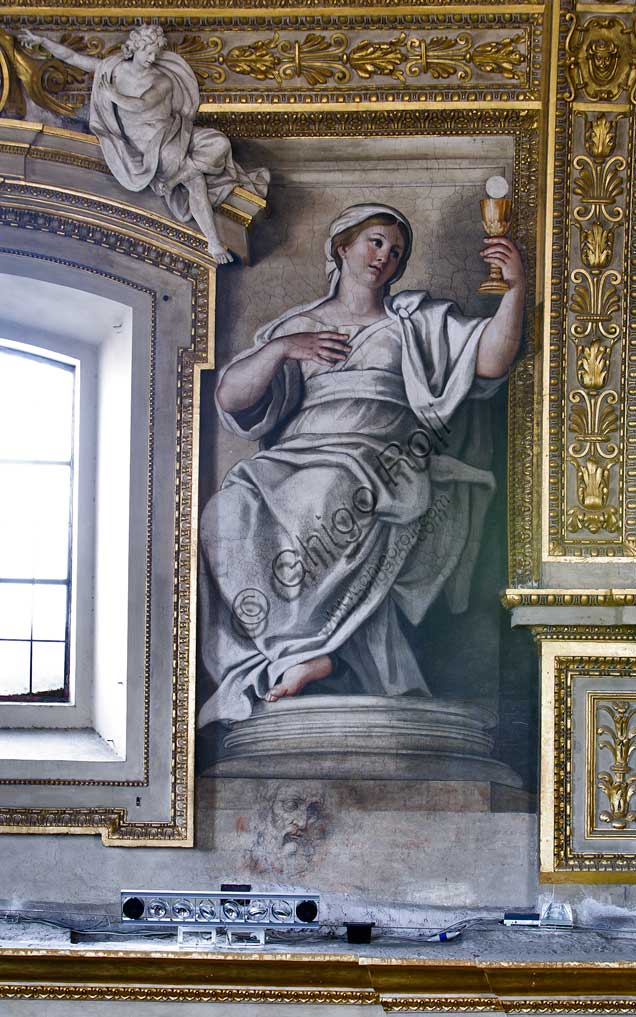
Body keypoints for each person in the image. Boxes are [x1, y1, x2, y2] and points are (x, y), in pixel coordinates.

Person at [198, 203, 524, 726]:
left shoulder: (413, 322)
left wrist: (514, 290)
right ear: (342, 247)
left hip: (380, 459)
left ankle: (314, 650)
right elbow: (233, 398)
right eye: (375, 242)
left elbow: (489, 358)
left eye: (395, 252)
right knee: (225, 514)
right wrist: (283, 349)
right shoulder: (298, 325)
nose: (384, 257)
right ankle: (294, 651)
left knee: (328, 490)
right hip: (296, 456)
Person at [19, 25, 269, 263]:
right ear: (134, 47)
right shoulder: (113, 69)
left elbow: (140, 104)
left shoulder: (161, 80)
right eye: (148, 51)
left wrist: (113, 95)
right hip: (151, 149)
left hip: (171, 133)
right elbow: (75, 58)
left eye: (155, 53)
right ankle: (213, 243)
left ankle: (173, 180)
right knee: (196, 182)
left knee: (220, 143)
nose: (151, 57)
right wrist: (43, 41)